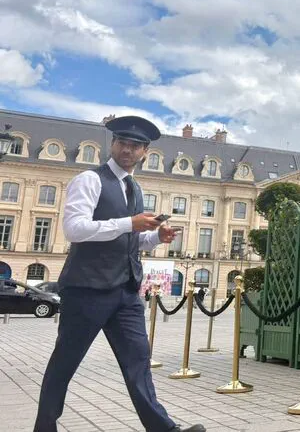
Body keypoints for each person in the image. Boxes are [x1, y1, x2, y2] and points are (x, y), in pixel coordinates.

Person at [34, 116, 205, 432]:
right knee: (65, 363)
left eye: (135, 145)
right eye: (122, 142)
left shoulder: (135, 188)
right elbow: (74, 229)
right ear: (112, 144)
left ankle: (164, 429)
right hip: (86, 290)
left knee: (139, 362)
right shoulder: (90, 180)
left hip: (125, 291)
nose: (127, 149)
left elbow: (129, 239)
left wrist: (155, 237)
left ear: (145, 151)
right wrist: (130, 223)